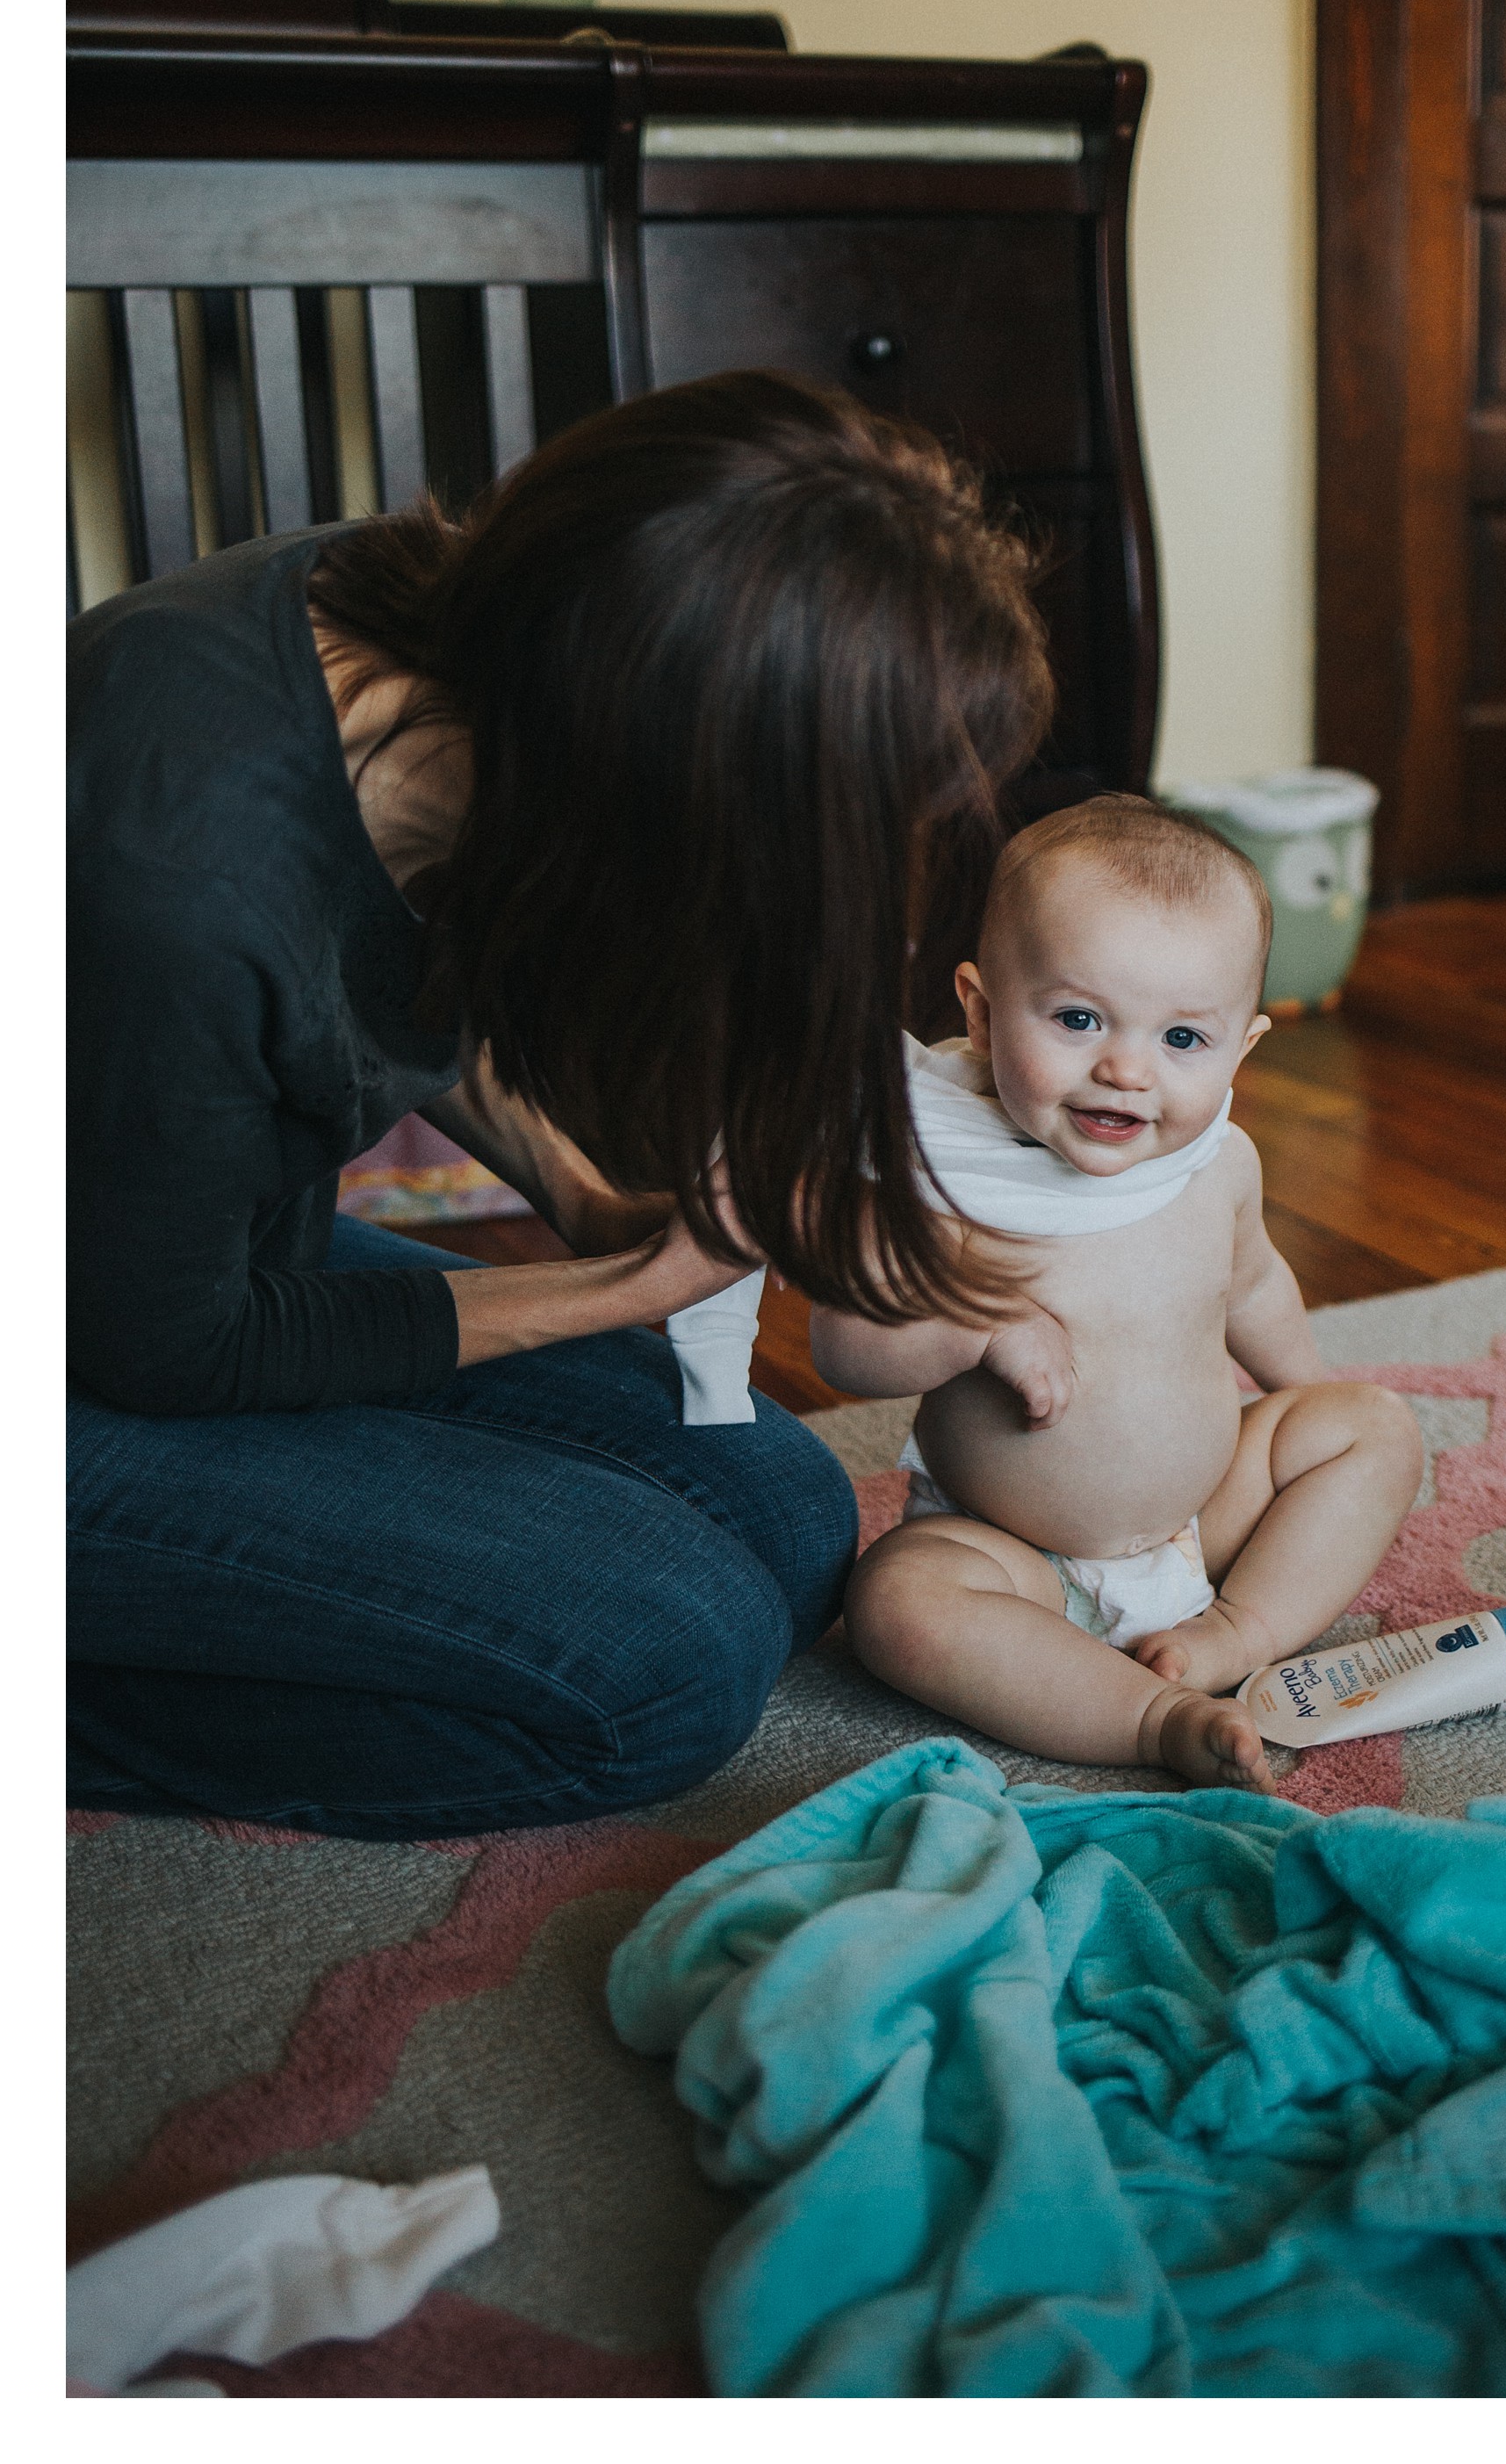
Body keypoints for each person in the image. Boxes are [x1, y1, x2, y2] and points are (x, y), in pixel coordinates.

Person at [68, 372, 1053, 1840]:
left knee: (782, 1527)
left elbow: (374, 975)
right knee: (664, 1671)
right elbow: (169, 1344)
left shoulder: (462, 661)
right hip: (104, 1341)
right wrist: (620, 1287)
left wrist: (591, 1199)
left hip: (167, 1237)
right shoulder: (182, 873)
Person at [810, 796, 1424, 1791]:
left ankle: (1232, 1630)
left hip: (1198, 1521)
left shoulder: (1217, 1164)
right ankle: (1152, 1718)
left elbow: (1255, 1285)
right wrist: (977, 1322)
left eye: (1184, 1038)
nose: (1126, 1068)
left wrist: (1304, 1398)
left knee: (1374, 1428)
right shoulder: (953, 1176)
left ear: (1243, 1048)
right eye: (1078, 1018)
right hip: (1015, 1555)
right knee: (895, 1601)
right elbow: (845, 1345)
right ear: (978, 1008)